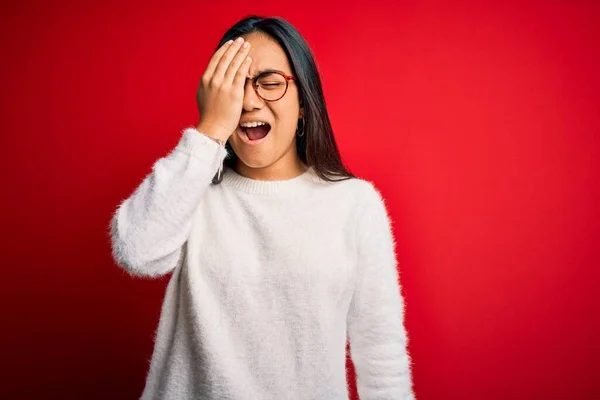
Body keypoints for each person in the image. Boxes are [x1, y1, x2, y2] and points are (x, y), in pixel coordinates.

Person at [110, 15, 415, 400]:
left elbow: (381, 354)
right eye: (235, 87)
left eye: (269, 83)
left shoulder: (355, 205)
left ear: (304, 102)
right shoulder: (192, 192)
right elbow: (136, 252)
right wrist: (208, 132)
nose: (250, 101)